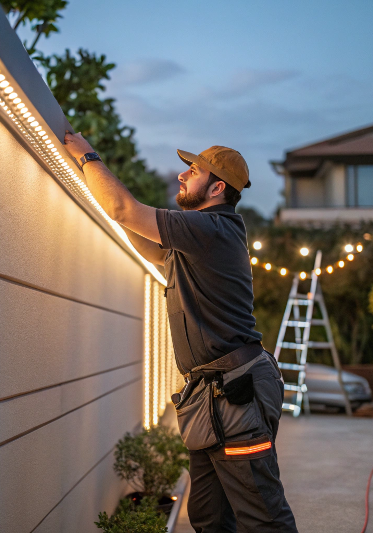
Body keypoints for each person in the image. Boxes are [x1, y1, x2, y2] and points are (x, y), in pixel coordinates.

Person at [63, 133, 298, 532]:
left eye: (193, 171)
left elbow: (123, 209)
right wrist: (104, 195)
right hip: (209, 396)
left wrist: (87, 157)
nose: (181, 176)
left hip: (236, 395)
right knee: (208, 516)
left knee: (264, 518)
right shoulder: (195, 240)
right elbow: (138, 234)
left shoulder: (212, 228)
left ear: (217, 188)